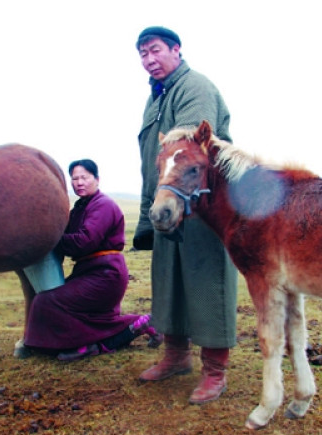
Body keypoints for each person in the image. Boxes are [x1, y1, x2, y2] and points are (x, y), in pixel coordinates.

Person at [134, 26, 239, 404]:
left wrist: (173, 199)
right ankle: (176, 356)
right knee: (170, 278)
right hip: (168, 199)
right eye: (143, 53)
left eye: (156, 50)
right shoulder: (156, 98)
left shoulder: (195, 87)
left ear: (176, 50)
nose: (149, 59)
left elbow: (187, 145)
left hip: (200, 203)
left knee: (207, 280)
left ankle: (215, 370)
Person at [14, 159, 161, 362]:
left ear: (97, 179)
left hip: (105, 275)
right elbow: (64, 231)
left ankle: (86, 346)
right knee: (86, 314)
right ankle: (141, 323)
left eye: (84, 177)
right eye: (74, 179)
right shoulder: (79, 209)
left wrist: (49, 237)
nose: (79, 182)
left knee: (46, 301)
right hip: (91, 272)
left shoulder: (103, 205)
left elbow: (84, 242)